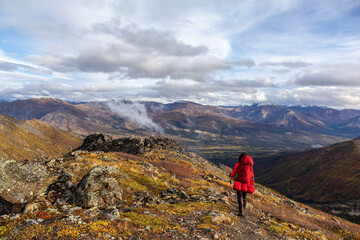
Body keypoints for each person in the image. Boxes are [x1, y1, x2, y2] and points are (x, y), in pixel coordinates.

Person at [230, 152, 255, 216]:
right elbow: (252, 175)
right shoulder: (250, 166)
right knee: (244, 196)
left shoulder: (238, 164)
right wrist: (251, 183)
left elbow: (234, 172)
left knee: (239, 196)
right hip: (247, 183)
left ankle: (241, 211)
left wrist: (231, 176)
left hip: (239, 182)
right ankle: (244, 209)